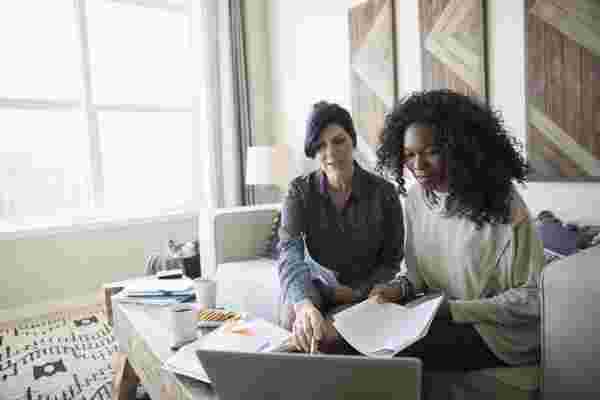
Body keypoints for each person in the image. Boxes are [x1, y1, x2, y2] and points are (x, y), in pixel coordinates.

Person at [372, 89, 545, 371]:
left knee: (390, 351)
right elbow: (417, 277)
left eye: (432, 152)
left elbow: (533, 297)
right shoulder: (416, 200)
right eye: (409, 155)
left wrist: (454, 310)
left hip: (500, 334)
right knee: (360, 338)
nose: (418, 165)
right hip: (442, 318)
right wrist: (396, 289)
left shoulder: (503, 203)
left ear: (460, 150)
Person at [278, 101, 404, 353]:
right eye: (320, 145)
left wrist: (360, 294)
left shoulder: (384, 193)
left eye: (338, 141)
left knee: (329, 337)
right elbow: (290, 255)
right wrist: (303, 305)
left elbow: (391, 261)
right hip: (317, 287)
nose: (330, 152)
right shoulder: (299, 191)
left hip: (366, 293)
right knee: (295, 321)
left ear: (352, 141)